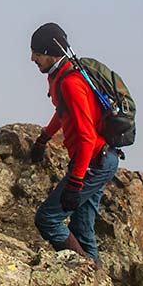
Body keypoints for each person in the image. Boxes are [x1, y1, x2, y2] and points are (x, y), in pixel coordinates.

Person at [27, 23, 119, 265]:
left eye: (37, 52)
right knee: (81, 227)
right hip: (101, 158)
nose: (32, 58)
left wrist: (76, 181)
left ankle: (84, 273)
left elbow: (87, 135)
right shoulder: (60, 76)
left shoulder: (70, 82)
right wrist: (44, 138)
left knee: (47, 219)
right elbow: (63, 112)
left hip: (93, 161)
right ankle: (97, 280)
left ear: (50, 51)